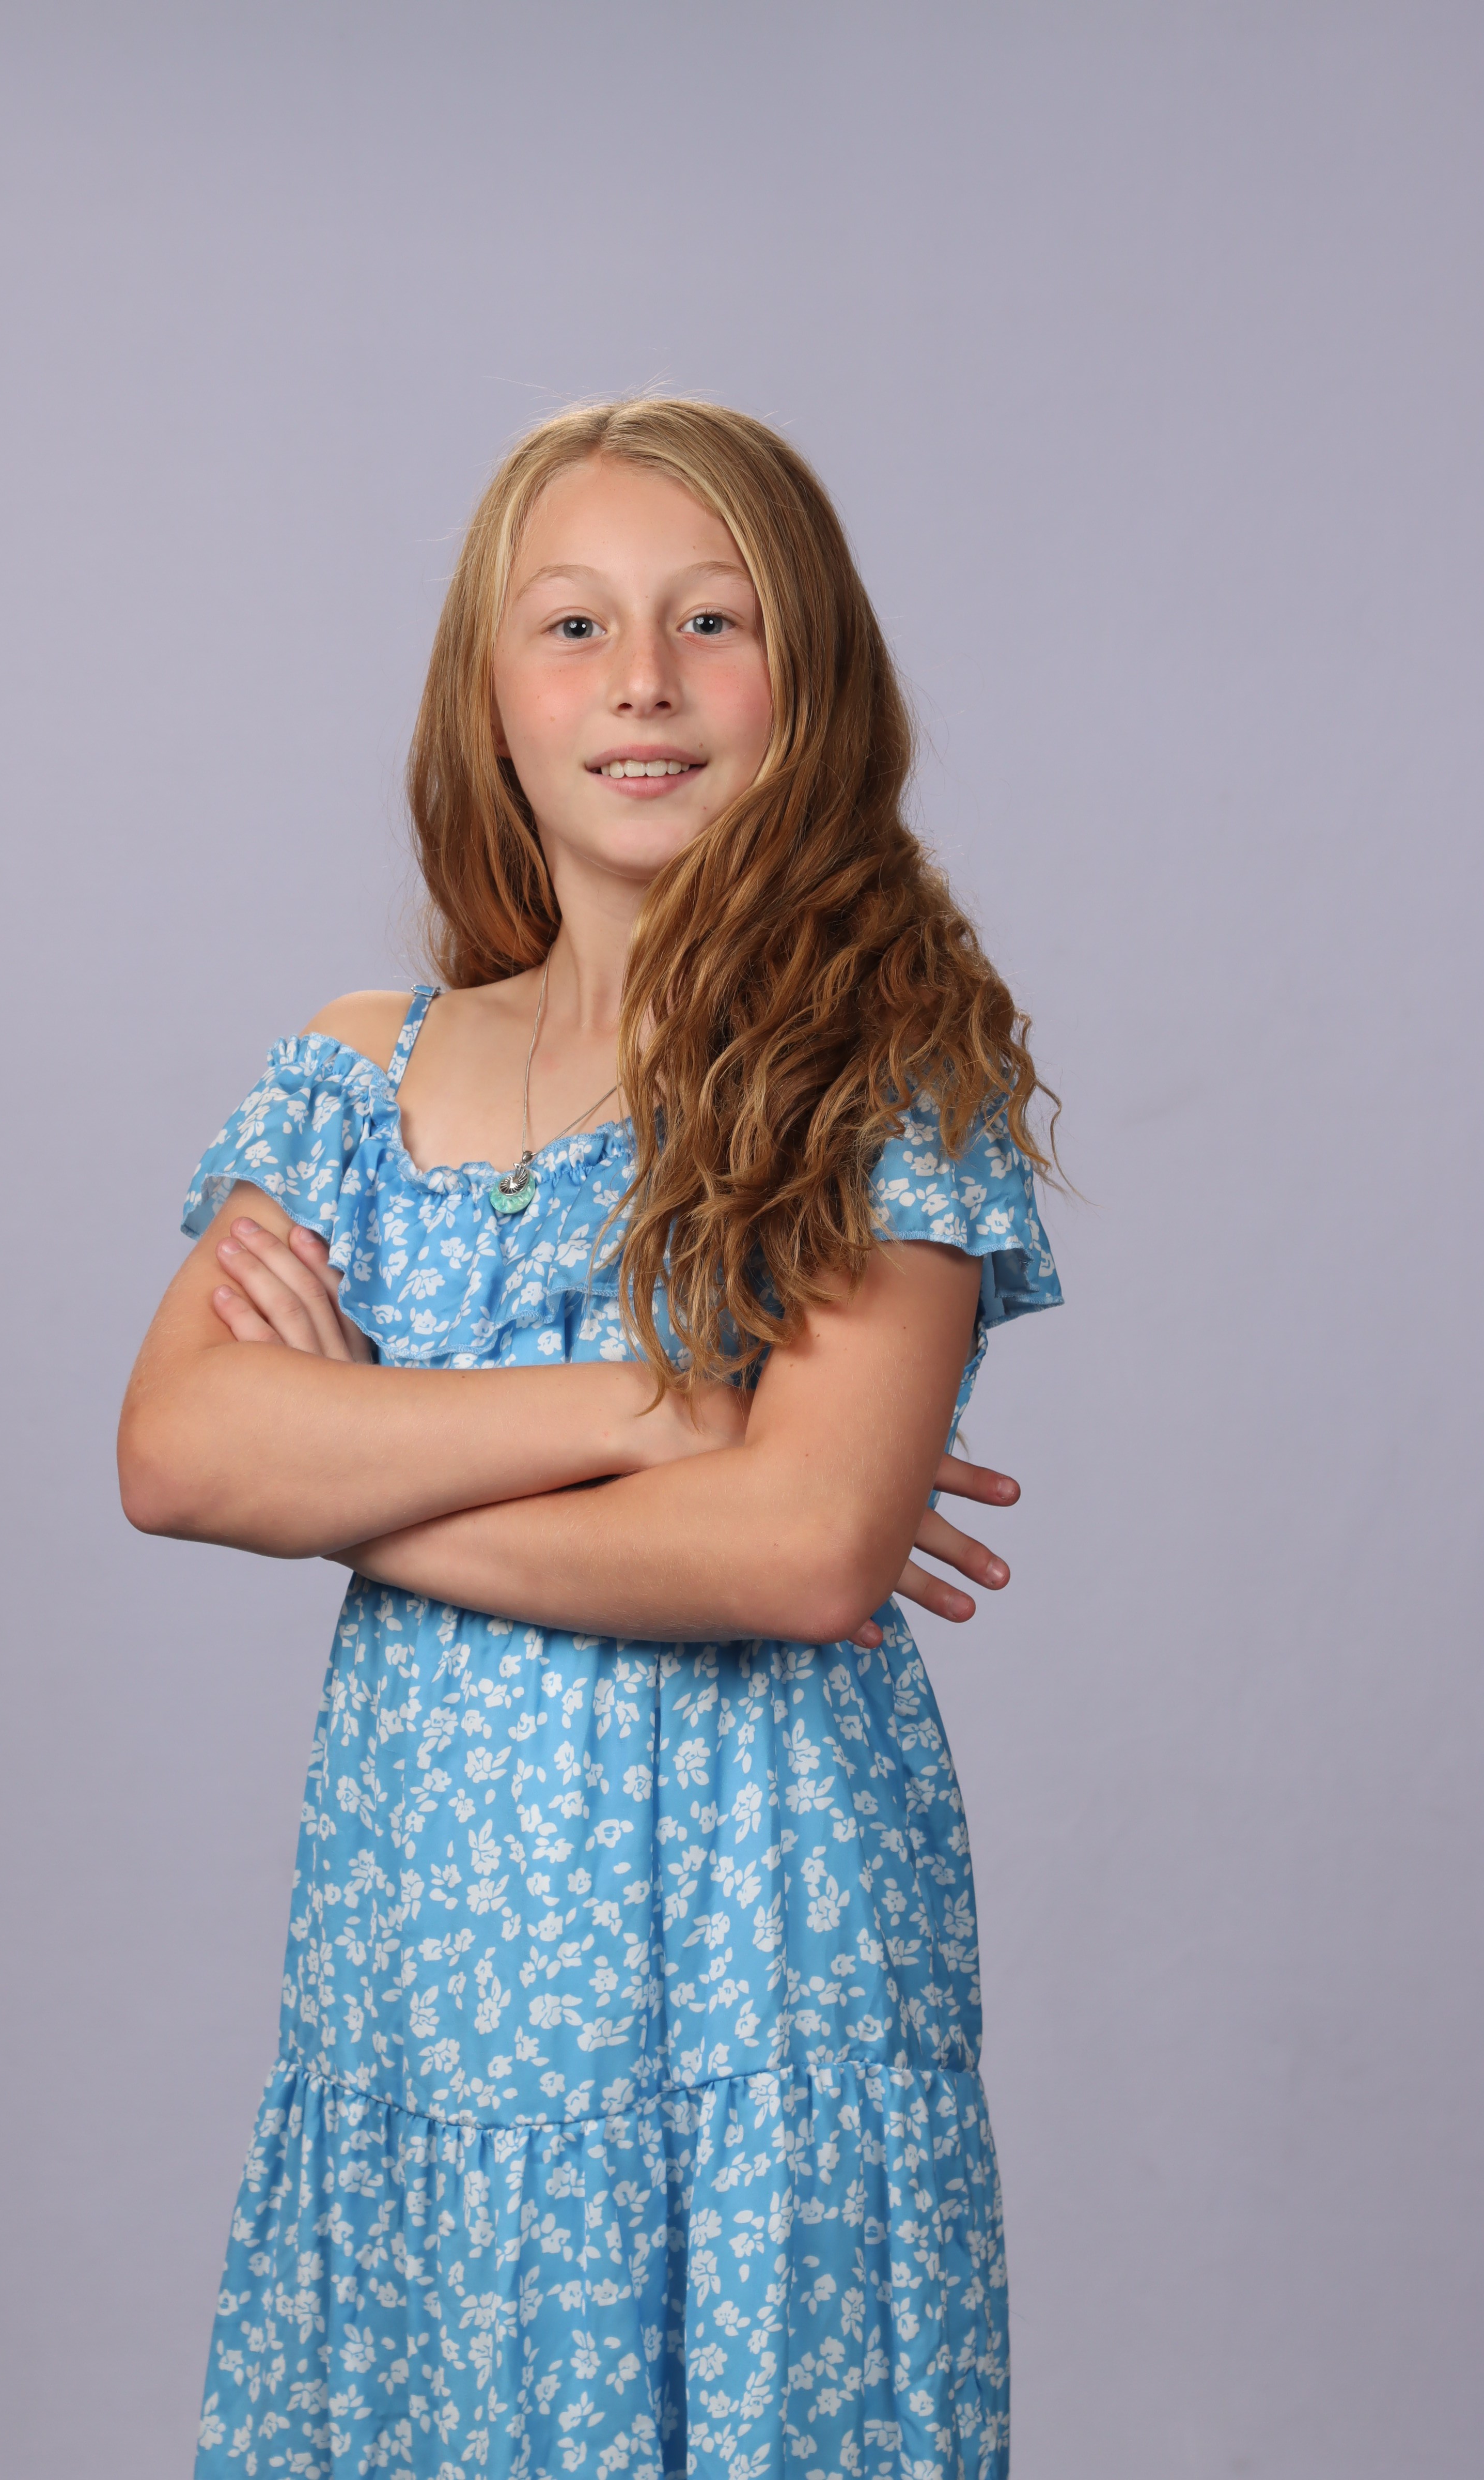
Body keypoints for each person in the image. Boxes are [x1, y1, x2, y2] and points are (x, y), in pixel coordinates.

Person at [119, 398, 1061, 2480]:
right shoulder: (359, 1072)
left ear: (812, 680)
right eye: (573, 625)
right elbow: (181, 1450)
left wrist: (355, 1477)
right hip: (429, 2010)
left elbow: (800, 1552)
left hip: (761, 1981)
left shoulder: (882, 1066)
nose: (642, 679)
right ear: (490, 699)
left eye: (712, 619)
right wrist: (647, 1413)